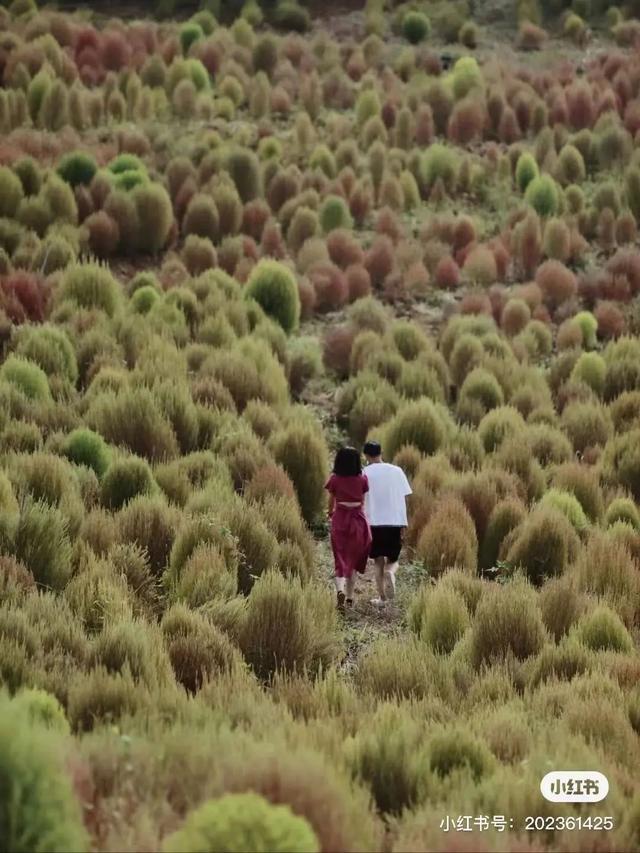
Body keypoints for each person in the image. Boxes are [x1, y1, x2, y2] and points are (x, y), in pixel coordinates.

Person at [362, 440, 413, 606]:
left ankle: (382, 598)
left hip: (374, 522)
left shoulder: (364, 473)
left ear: (366, 455)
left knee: (378, 560)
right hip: (395, 521)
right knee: (393, 559)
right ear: (381, 452)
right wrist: (403, 520)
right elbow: (405, 496)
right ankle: (390, 572)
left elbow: (361, 498)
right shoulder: (396, 471)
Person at [325, 446, 372, 611]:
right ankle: (350, 598)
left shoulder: (335, 479)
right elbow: (362, 502)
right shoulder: (362, 479)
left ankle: (340, 590)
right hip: (357, 521)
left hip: (340, 519)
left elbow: (331, 501)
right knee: (353, 559)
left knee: (340, 558)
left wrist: (330, 513)